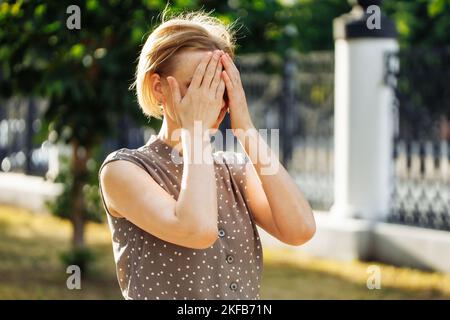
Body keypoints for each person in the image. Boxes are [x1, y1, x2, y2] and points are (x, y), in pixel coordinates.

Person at [98, 8, 315, 300]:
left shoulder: (233, 170)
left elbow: (300, 229)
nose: (212, 100)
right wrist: (195, 131)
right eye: (198, 86)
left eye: (219, 87)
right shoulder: (123, 170)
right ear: (158, 87)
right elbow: (197, 229)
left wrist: (246, 129)